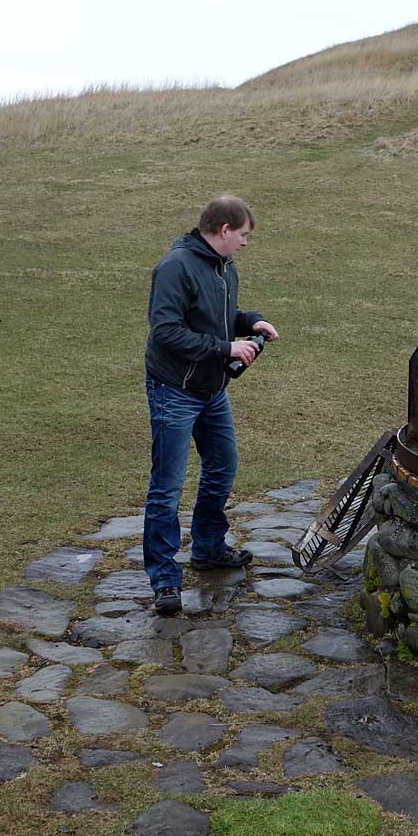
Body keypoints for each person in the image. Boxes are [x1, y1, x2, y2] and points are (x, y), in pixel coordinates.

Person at [142, 194, 279, 615]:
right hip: (175, 391)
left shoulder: (223, 266)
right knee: (168, 486)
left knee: (222, 466)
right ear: (223, 230)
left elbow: (218, 312)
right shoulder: (174, 268)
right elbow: (166, 331)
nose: (244, 244)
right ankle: (165, 580)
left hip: (211, 391)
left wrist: (250, 321)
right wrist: (226, 348)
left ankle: (208, 548)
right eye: (242, 236)